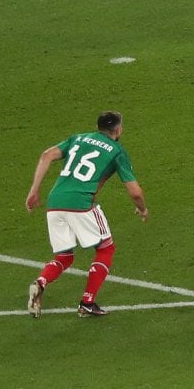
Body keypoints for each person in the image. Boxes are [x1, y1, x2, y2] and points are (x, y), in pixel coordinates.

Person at [24, 111, 149, 318]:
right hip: (81, 203)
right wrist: (142, 208)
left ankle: (40, 283)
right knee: (105, 248)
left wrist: (34, 191)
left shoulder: (77, 138)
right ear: (118, 129)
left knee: (64, 256)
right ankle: (87, 302)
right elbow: (135, 192)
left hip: (54, 202)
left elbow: (47, 155)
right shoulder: (117, 151)